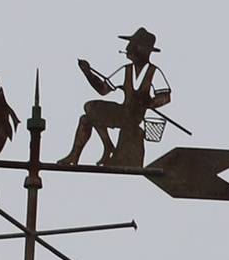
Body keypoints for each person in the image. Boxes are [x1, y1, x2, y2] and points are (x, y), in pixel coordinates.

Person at [58, 27, 171, 171]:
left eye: (133, 45)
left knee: (90, 112)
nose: (128, 48)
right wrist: (88, 73)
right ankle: (77, 155)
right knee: (87, 114)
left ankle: (107, 147)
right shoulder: (126, 70)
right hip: (123, 112)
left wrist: (149, 103)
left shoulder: (153, 72)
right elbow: (103, 89)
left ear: (143, 49)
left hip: (133, 118)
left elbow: (165, 97)